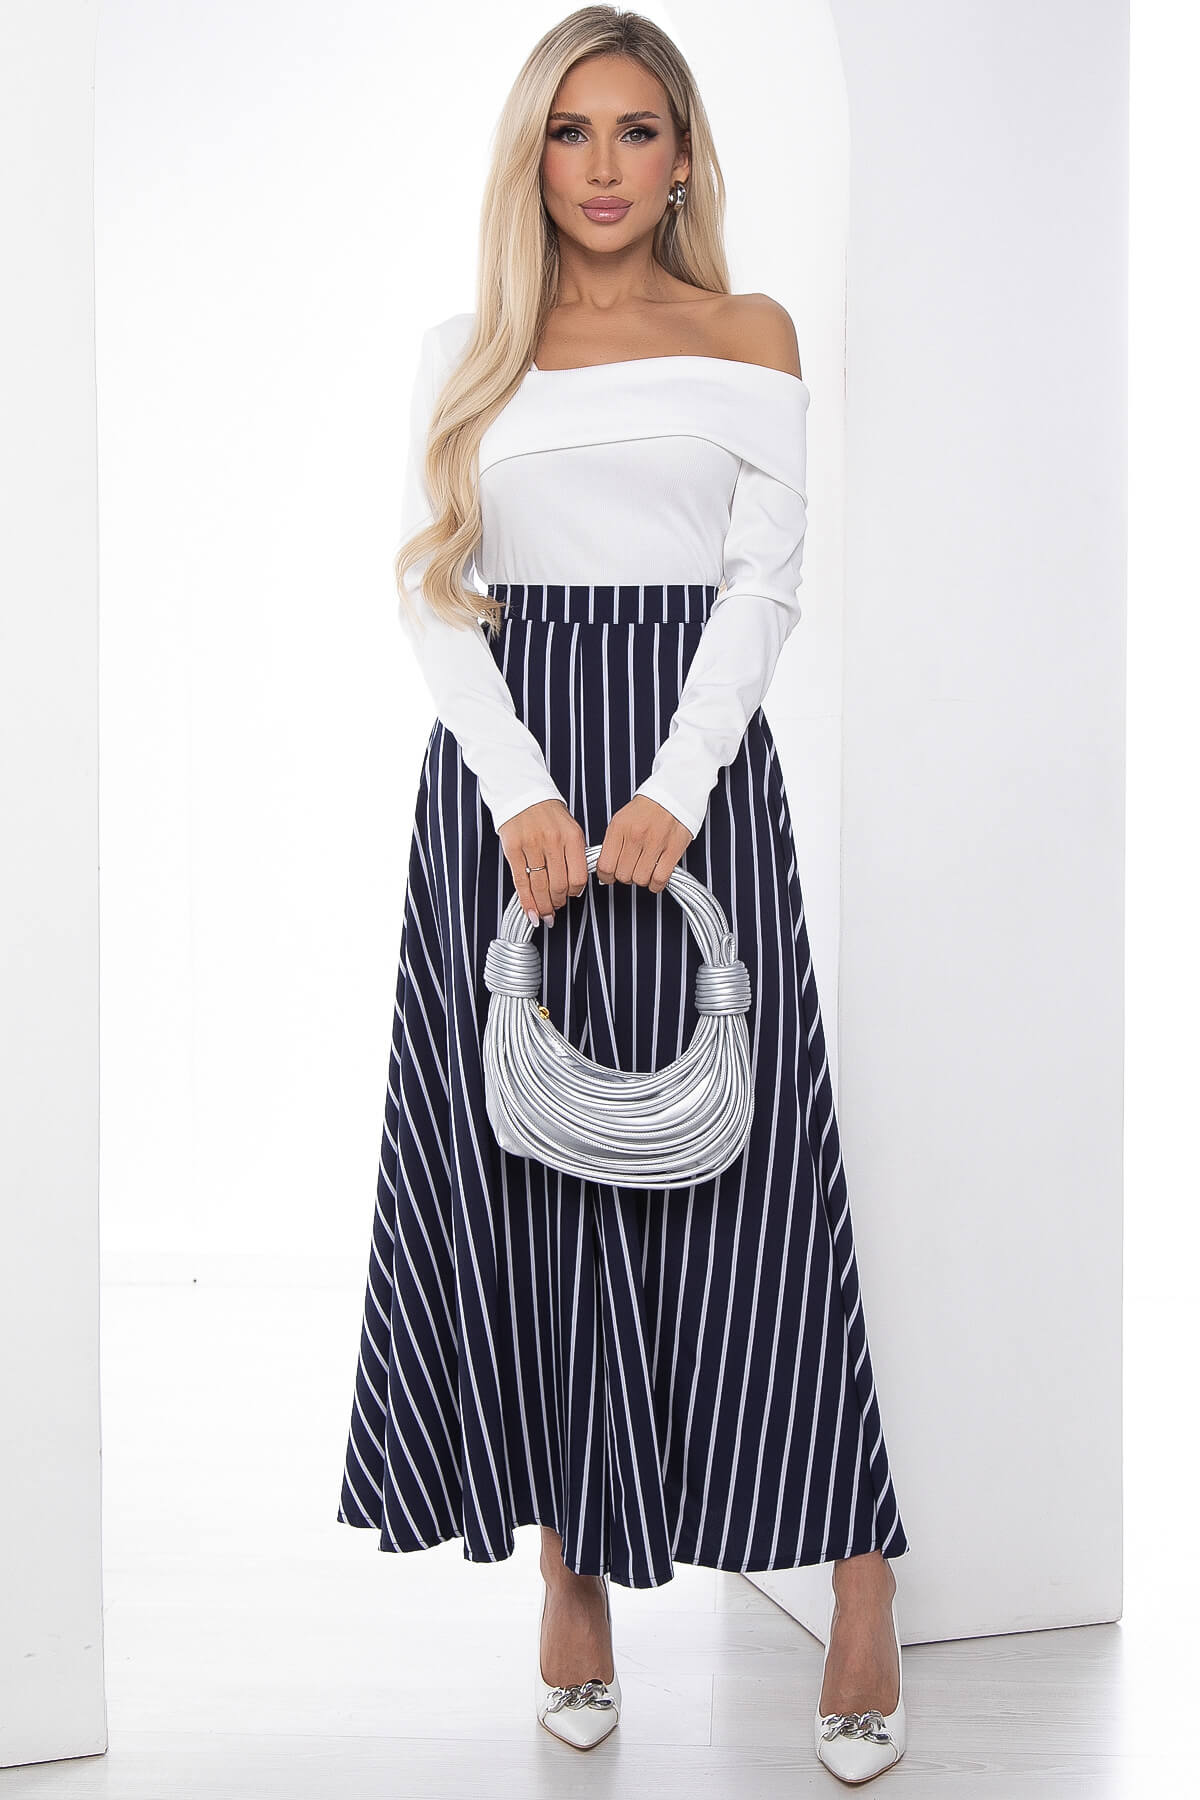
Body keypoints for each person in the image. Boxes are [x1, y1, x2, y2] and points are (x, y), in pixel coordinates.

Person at [336, 6, 909, 1782]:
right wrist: (521, 787)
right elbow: (434, 589)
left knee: (753, 1176)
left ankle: (860, 1573)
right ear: (532, 155)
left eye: (636, 131)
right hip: (509, 795)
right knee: (536, 1174)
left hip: (691, 784)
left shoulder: (749, 334)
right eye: (570, 131)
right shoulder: (468, 351)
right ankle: (569, 1572)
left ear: (682, 158)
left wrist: (675, 786)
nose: (601, 166)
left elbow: (763, 584)